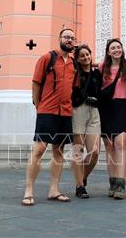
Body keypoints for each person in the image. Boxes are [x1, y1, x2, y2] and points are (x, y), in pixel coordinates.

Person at [22, 28, 77, 206]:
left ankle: (54, 189)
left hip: (65, 113)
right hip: (47, 111)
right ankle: (29, 190)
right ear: (59, 39)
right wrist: (38, 105)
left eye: (72, 38)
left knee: (59, 152)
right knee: (39, 149)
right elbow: (36, 82)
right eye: (66, 37)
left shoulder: (73, 63)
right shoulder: (47, 58)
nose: (69, 40)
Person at [98, 38, 126, 200]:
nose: (116, 50)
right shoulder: (101, 67)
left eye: (118, 47)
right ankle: (112, 182)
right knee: (109, 145)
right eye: (113, 48)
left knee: (120, 144)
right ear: (108, 51)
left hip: (121, 107)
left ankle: (121, 183)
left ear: (122, 49)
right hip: (105, 108)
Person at [70, 44, 101, 199]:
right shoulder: (74, 72)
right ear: (77, 58)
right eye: (81, 55)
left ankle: (82, 178)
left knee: (94, 152)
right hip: (78, 111)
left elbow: (107, 65)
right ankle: (80, 186)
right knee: (78, 151)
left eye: (87, 54)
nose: (85, 57)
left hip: (94, 112)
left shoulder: (97, 73)